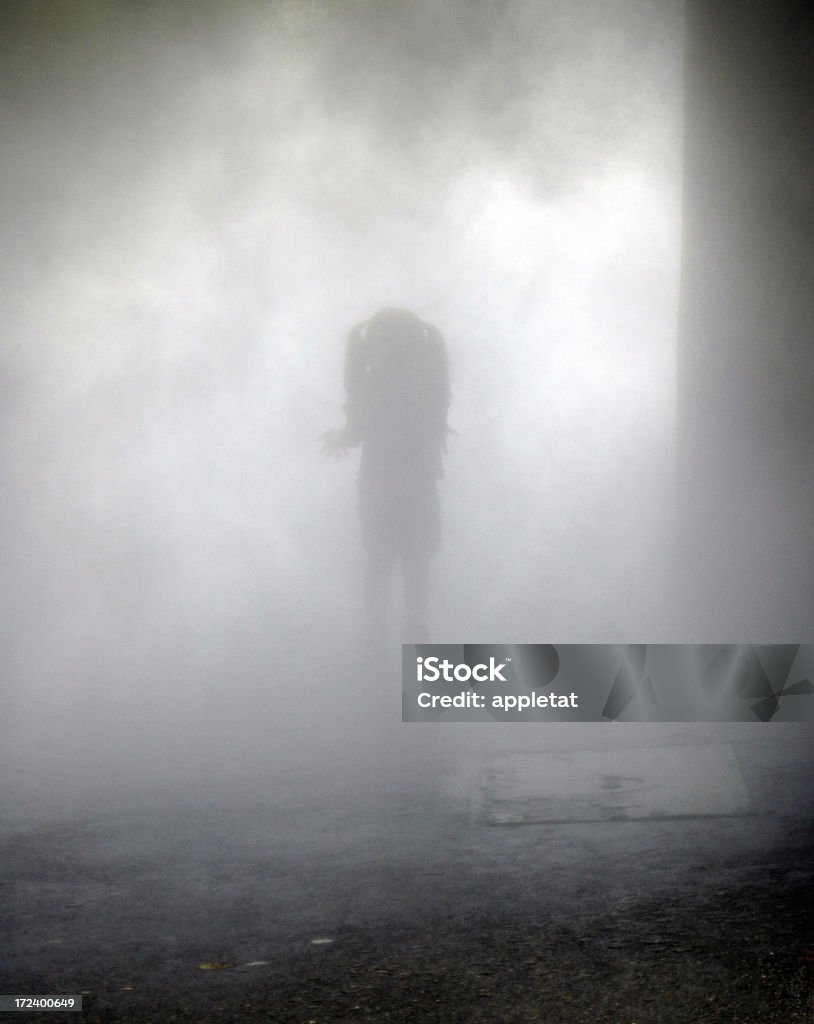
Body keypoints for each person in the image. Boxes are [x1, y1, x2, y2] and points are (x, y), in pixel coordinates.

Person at [322, 307, 450, 642]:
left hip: (378, 482)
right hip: (418, 481)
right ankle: (414, 621)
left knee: (380, 556)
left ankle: (376, 625)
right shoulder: (427, 382)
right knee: (416, 558)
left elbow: (355, 432)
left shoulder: (369, 382)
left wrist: (339, 437)